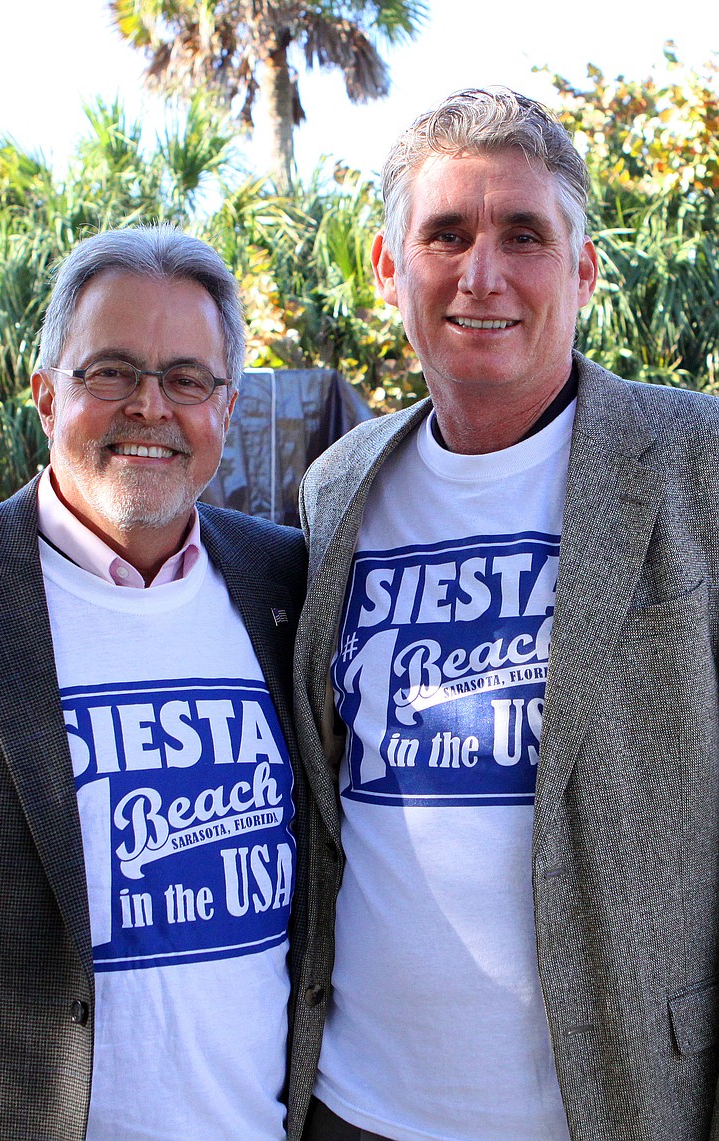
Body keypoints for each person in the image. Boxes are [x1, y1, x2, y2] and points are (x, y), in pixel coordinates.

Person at [287, 87, 719, 1141]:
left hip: (617, 1102)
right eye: (446, 234)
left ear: (580, 270)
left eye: (522, 234)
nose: (482, 273)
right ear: (391, 269)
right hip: (357, 1106)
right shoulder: (338, 486)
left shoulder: (693, 461)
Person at [0, 225, 306, 1140]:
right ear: (44, 395)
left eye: (187, 379)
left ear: (224, 408)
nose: (150, 406)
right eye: (109, 371)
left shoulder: (288, 586)